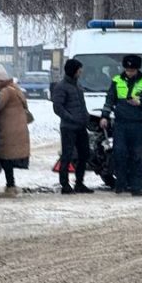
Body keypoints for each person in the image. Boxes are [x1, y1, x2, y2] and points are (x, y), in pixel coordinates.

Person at [100, 54, 142, 197]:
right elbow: (109, 100)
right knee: (119, 153)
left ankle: (136, 186)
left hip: (138, 124)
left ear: (137, 69)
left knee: (137, 156)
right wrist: (105, 116)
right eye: (127, 69)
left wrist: (141, 102)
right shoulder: (116, 80)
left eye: (132, 70)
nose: (129, 72)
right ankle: (120, 184)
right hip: (120, 123)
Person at [51, 58, 93, 194]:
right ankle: (65, 184)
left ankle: (79, 183)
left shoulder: (77, 86)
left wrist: (86, 117)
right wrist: (72, 118)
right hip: (68, 127)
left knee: (84, 154)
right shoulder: (61, 87)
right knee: (67, 155)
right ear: (73, 71)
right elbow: (58, 107)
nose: (81, 72)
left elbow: (82, 104)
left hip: (81, 126)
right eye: (79, 70)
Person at [0, 66, 31, 198]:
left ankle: (10, 186)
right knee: (6, 159)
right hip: (18, 129)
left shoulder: (6, 91)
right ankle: (11, 185)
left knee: (5, 158)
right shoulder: (15, 88)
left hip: (9, 131)